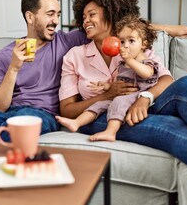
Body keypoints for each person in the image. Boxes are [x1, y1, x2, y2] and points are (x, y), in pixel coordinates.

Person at [0, 0, 187, 143]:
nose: (56, 20)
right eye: (50, 14)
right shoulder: (6, 55)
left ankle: (9, 148)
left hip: (41, 115)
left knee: (24, 124)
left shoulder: (65, 42)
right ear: (31, 17)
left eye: (59, 14)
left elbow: (112, 26)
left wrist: (168, 28)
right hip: (9, 113)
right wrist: (14, 68)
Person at [58, 0, 187, 168]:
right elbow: (66, 109)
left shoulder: (132, 44)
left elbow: (166, 79)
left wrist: (144, 99)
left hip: (148, 103)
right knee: (167, 126)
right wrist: (106, 95)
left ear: (111, 13)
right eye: (83, 17)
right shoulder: (75, 55)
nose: (85, 21)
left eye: (92, 15)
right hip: (106, 116)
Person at [56, 14, 161, 142]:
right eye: (122, 41)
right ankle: (76, 123)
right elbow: (119, 83)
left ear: (144, 44)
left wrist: (129, 60)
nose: (125, 45)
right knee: (98, 105)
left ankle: (110, 132)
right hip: (119, 99)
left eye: (131, 41)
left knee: (118, 103)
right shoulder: (122, 62)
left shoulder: (144, 60)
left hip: (136, 97)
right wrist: (105, 87)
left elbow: (148, 74)